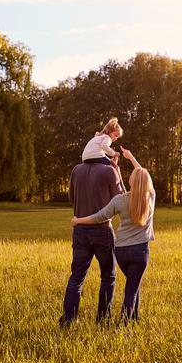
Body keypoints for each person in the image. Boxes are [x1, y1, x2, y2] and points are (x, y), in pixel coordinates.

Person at [71, 148, 155, 326]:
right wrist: (131, 157)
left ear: (131, 181)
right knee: (131, 290)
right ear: (147, 184)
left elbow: (99, 216)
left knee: (134, 284)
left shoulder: (120, 200)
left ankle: (134, 318)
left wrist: (79, 220)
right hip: (140, 251)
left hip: (122, 251)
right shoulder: (150, 197)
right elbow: (144, 178)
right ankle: (123, 326)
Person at [60, 138, 125, 327]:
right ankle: (103, 320)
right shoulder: (108, 171)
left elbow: (72, 198)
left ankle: (68, 320)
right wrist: (116, 170)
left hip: (80, 231)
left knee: (77, 276)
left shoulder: (76, 170)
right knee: (108, 275)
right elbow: (120, 199)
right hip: (102, 231)